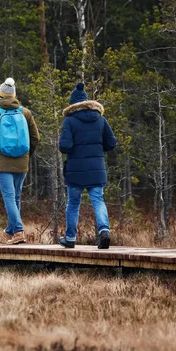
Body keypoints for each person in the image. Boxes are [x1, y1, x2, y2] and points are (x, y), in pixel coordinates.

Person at [0, 78, 40, 244]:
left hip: (2, 162)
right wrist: (27, 155)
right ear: (14, 95)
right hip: (22, 161)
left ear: (0, 95)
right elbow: (36, 138)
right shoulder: (25, 113)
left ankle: (19, 232)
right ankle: (11, 230)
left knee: (9, 198)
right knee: (15, 197)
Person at [58, 82, 117, 249]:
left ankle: (70, 238)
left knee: (73, 203)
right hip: (96, 169)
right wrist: (98, 149)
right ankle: (104, 230)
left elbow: (65, 146)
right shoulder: (100, 119)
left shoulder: (69, 121)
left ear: (73, 104)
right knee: (98, 201)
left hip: (75, 170)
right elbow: (111, 143)